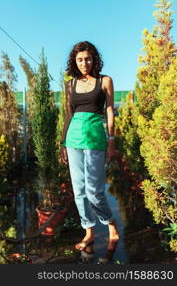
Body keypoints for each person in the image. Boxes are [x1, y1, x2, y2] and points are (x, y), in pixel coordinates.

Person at [60, 41, 119, 259]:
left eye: (88, 58)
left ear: (94, 59)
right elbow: (69, 115)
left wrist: (111, 140)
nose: (84, 63)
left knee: (95, 190)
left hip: (95, 138)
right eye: (80, 59)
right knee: (79, 191)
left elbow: (110, 111)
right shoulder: (70, 84)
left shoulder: (105, 81)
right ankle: (89, 231)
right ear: (74, 62)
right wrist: (62, 144)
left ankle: (110, 223)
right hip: (73, 139)